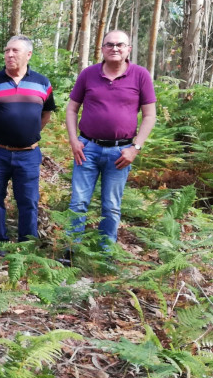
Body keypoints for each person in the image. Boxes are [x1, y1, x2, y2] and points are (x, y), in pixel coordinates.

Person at [65, 29, 156, 248]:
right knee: (78, 203)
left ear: (128, 49)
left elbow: (150, 115)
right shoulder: (88, 74)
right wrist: (73, 141)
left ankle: (104, 255)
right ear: (102, 49)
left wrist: (135, 148)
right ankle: (70, 250)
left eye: (120, 45)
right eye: (109, 44)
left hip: (120, 152)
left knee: (111, 206)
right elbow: (71, 109)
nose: (114, 48)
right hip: (87, 148)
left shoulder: (140, 75)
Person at [0, 35, 55, 251]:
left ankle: (27, 245)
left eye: (15, 51)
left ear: (28, 54)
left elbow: (46, 113)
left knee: (28, 200)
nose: (9, 55)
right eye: (7, 50)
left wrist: (30, 133)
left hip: (28, 154)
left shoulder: (42, 83)